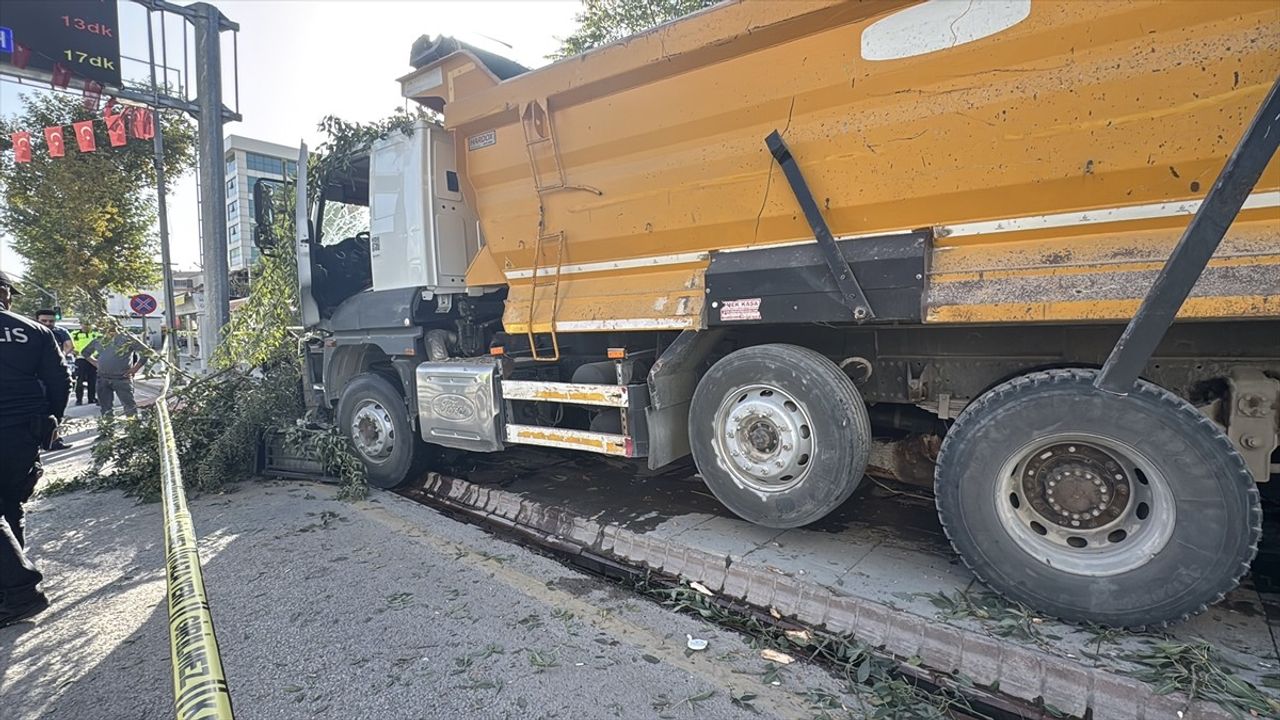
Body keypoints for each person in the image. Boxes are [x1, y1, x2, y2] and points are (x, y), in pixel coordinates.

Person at [0, 270, 70, 626]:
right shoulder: (34, 331)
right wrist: (49, 426)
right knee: (10, 503)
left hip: (18, 424)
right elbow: (60, 381)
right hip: (23, 430)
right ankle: (10, 585)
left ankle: (19, 591)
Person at [33, 309, 75, 450]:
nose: (48, 323)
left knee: (56, 410)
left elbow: (69, 346)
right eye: (44, 321)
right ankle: (39, 440)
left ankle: (54, 440)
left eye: (51, 321)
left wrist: (58, 357)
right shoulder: (30, 331)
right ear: (37, 319)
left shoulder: (60, 332)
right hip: (35, 377)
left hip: (56, 376)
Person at [81, 328, 147, 417]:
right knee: (105, 409)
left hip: (122, 378)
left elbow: (146, 353)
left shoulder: (128, 338)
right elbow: (85, 352)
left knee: (129, 407)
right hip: (103, 378)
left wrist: (135, 369)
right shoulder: (100, 339)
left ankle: (133, 423)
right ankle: (108, 424)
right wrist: (96, 363)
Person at [70, 324, 99, 406]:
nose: (86, 326)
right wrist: (73, 351)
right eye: (85, 324)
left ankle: (91, 398)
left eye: (88, 324)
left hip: (92, 360)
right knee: (80, 380)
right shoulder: (74, 334)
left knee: (92, 380)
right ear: (81, 324)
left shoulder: (95, 334)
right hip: (80, 359)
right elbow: (69, 344)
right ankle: (79, 399)